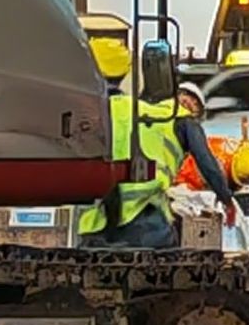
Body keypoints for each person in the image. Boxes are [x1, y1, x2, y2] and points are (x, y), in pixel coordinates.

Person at [83, 44, 210, 251]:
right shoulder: (171, 119)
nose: (189, 104)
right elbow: (207, 164)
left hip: (102, 215)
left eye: (195, 104)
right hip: (143, 214)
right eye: (187, 98)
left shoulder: (114, 106)